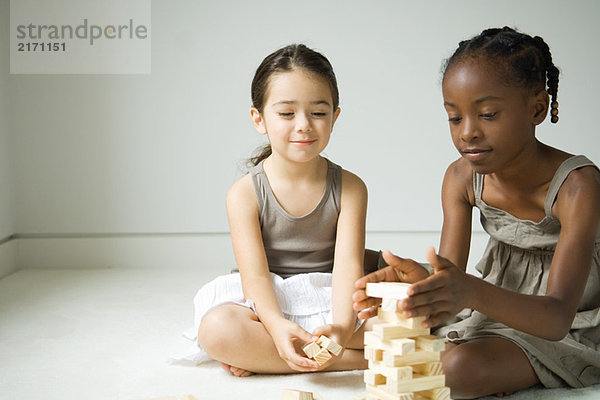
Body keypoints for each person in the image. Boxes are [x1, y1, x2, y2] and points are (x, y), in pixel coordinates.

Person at [352, 27, 600, 399]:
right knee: (376, 333)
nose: (467, 133)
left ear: (537, 108)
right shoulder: (460, 178)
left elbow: (556, 318)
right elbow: (448, 275)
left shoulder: (577, 187)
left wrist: (468, 290)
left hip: (570, 324)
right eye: (454, 118)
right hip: (490, 310)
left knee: (454, 368)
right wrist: (420, 284)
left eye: (487, 114)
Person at [196, 44, 370, 377]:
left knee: (410, 313)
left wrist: (344, 328)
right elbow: (255, 277)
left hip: (332, 294)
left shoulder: (351, 187)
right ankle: (355, 360)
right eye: (287, 113)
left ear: (334, 117)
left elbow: (348, 264)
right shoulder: (244, 193)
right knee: (218, 329)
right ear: (259, 119)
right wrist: (275, 327)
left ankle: (269, 359)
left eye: (318, 113)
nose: (303, 125)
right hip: (269, 300)